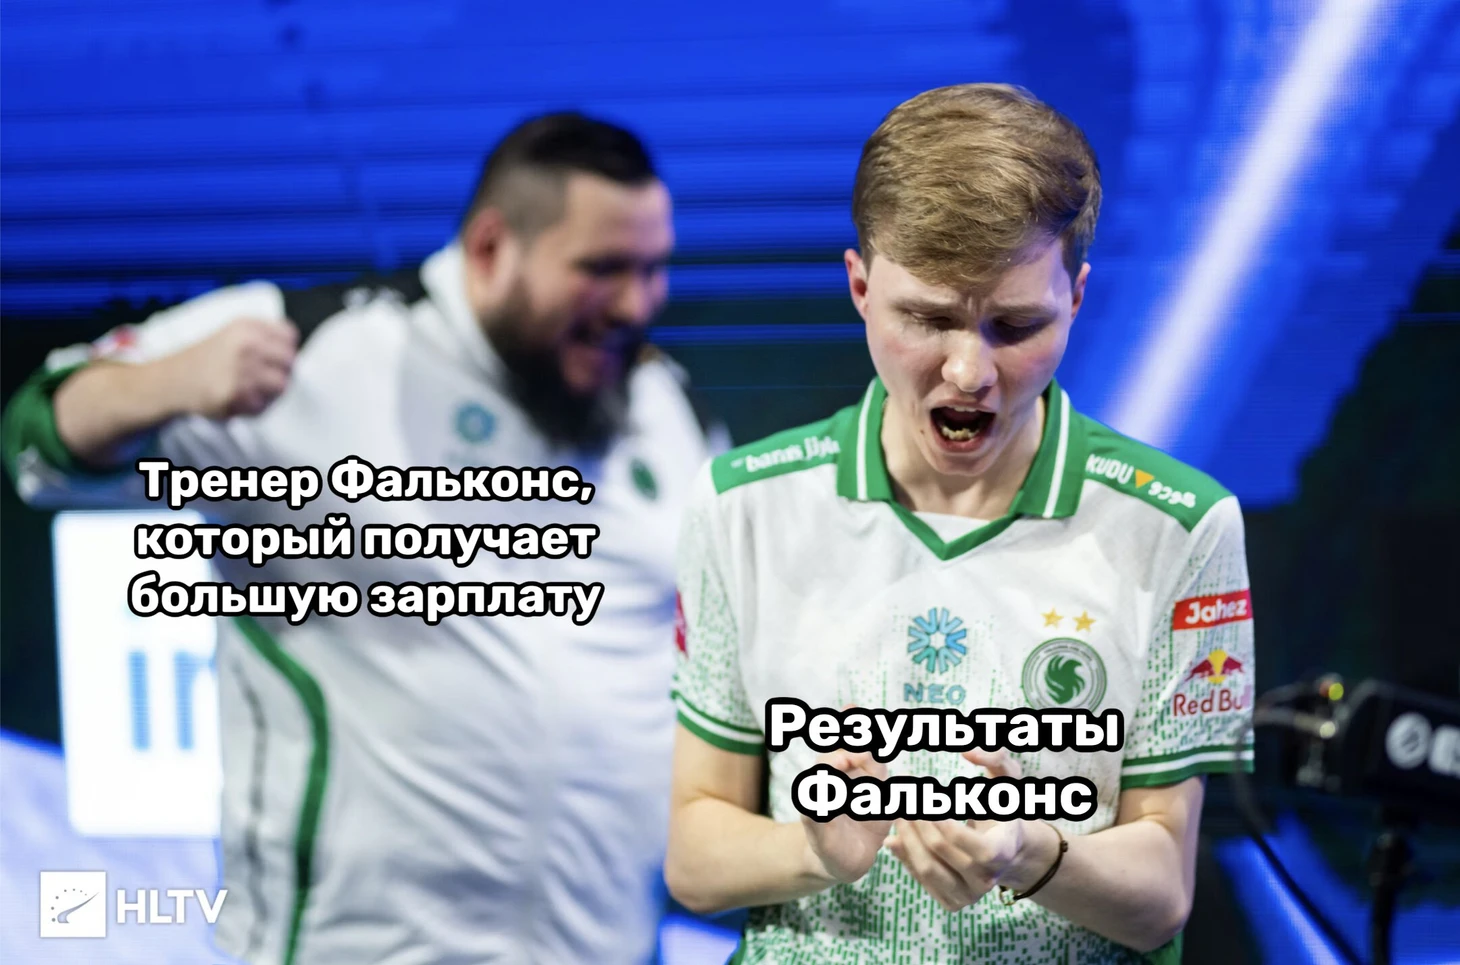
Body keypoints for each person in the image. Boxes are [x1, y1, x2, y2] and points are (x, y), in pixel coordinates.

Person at [4, 112, 722, 965]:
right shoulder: (316, 350)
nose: (637, 303)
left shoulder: (667, 411)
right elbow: (38, 439)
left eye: (653, 268)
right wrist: (168, 383)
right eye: (602, 269)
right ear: (491, 247)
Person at [664, 84, 1256, 963]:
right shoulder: (743, 506)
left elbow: (1161, 895)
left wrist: (1031, 852)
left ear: (1077, 298)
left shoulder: (1180, 525)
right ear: (860, 287)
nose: (970, 371)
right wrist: (817, 850)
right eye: (929, 318)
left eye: (1015, 325)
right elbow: (693, 855)